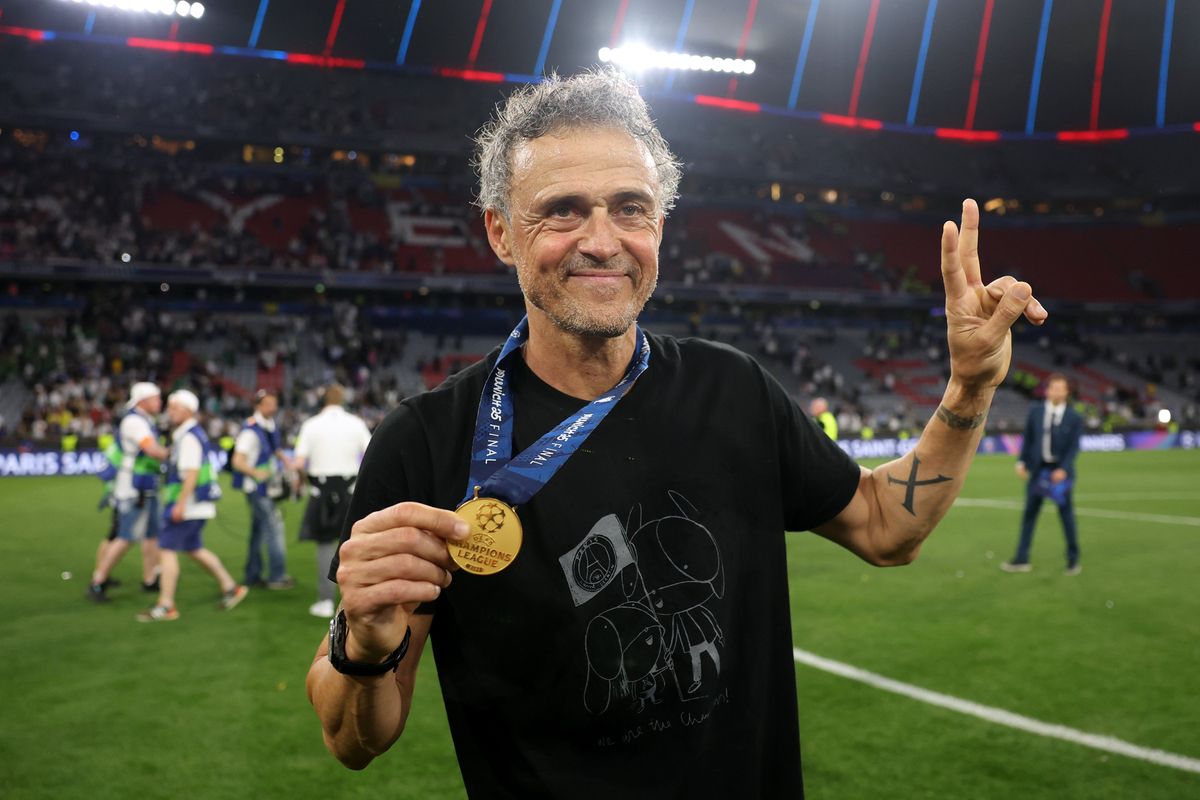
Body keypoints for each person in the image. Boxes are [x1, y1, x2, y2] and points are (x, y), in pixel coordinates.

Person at [305, 69, 1048, 797]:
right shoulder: (428, 442)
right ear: (501, 232)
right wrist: (363, 650)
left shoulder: (734, 390)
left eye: (630, 208)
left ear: (659, 223)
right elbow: (352, 741)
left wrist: (972, 386)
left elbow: (888, 527)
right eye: (562, 210)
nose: (603, 241)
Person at [138, 390, 247, 621]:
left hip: (187, 506)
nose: (169, 411)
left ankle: (166, 605)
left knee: (166, 549)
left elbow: (191, 474)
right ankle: (231, 587)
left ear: (188, 410)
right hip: (195, 505)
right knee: (194, 549)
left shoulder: (187, 437)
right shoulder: (189, 434)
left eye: (174, 407)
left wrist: (179, 505)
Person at [293, 383, 372, 618]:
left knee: (325, 545)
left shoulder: (311, 424)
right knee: (356, 546)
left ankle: (325, 601)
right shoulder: (356, 423)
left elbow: (298, 463)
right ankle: (356, 599)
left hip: (321, 490)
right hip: (350, 488)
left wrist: (302, 482)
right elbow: (371, 455)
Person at [88, 382, 168, 602]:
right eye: (156, 398)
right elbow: (152, 450)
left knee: (151, 536)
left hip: (147, 486)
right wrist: (174, 453)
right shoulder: (135, 421)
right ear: (143, 400)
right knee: (126, 536)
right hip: (134, 488)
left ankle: (150, 578)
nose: (160, 402)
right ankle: (98, 582)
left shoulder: (144, 420)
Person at [1002, 373, 1083, 575]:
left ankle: (1073, 560)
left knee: (1067, 518)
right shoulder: (1036, 412)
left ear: (1066, 392)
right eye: (1053, 388)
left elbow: (1073, 447)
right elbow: (1028, 440)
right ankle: (1022, 559)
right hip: (1039, 472)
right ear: (1047, 391)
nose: (1056, 391)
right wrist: (1022, 462)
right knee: (1029, 516)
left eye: (1060, 388)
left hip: (1060, 474)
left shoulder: (1074, 417)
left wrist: (1063, 469)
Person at [231, 390, 294, 589]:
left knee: (258, 531)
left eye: (274, 403)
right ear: (258, 406)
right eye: (268, 404)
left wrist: (287, 462)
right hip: (258, 489)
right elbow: (237, 461)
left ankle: (253, 573)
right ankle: (277, 575)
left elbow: (275, 449)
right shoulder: (250, 431)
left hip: (264, 488)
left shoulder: (268, 426)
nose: (273, 408)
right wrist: (256, 473)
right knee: (275, 528)